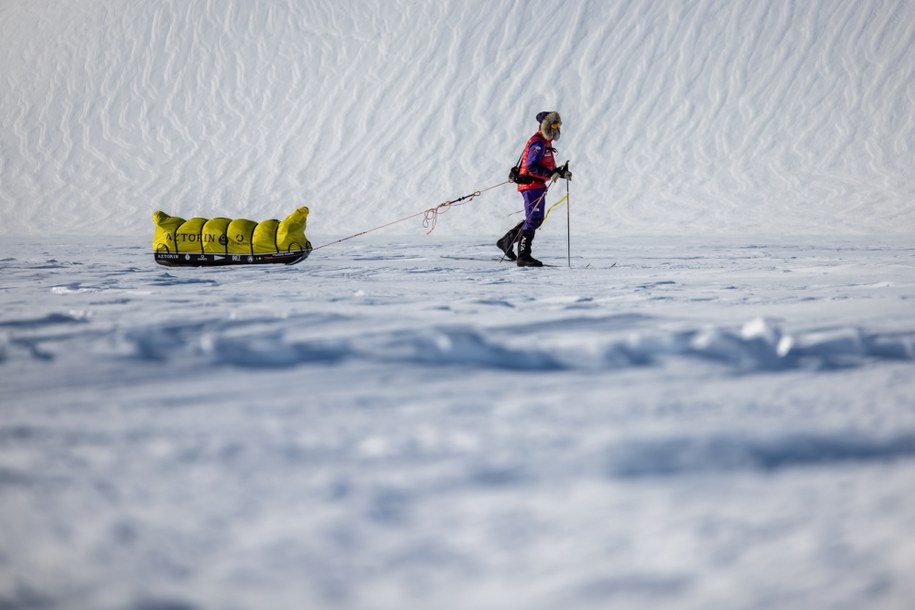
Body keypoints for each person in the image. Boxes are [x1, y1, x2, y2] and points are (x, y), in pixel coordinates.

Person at [497, 111, 572, 267]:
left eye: (558, 125)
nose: (557, 128)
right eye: (554, 125)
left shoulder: (545, 143)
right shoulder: (538, 143)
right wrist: (551, 173)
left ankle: (507, 241)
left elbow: (544, 167)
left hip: (536, 185)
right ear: (547, 126)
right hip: (531, 185)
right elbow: (531, 166)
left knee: (535, 219)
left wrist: (560, 172)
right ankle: (523, 256)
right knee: (534, 219)